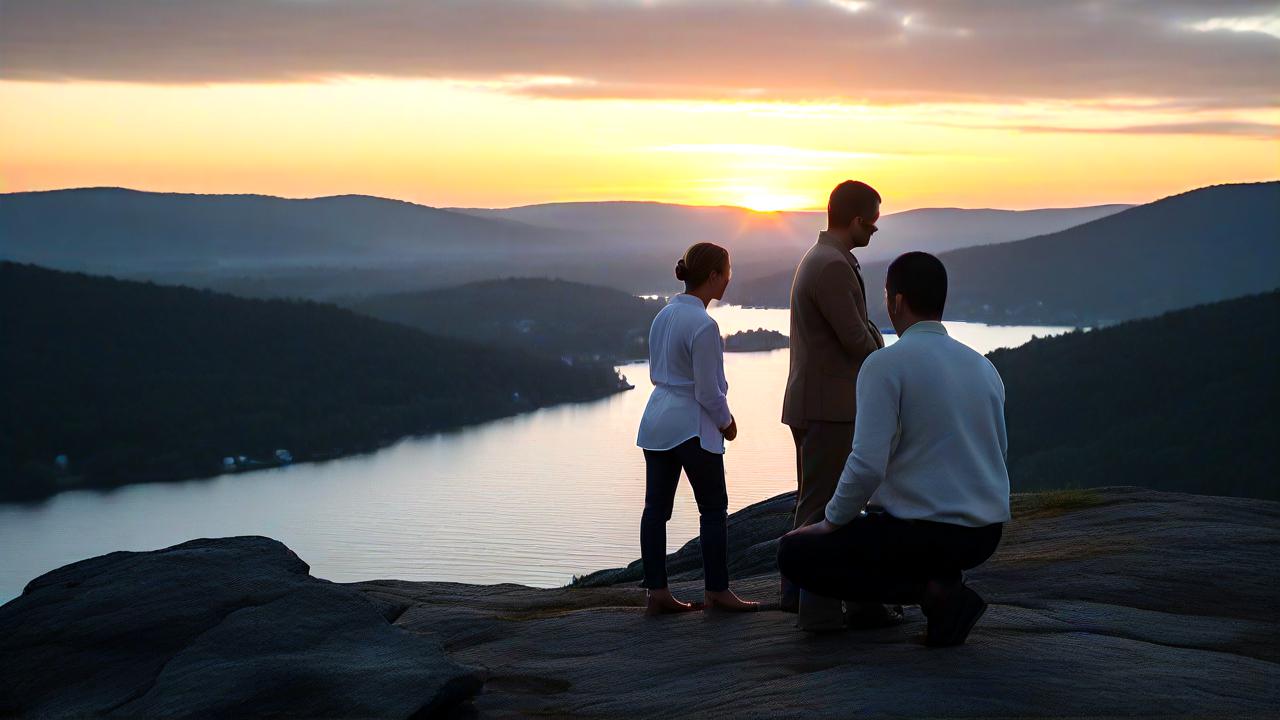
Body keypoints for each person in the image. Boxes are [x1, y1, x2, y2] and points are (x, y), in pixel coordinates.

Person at [778, 252, 1010, 646]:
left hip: (921, 536)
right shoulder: (983, 367)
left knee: (793, 552)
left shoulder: (885, 364)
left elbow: (866, 464)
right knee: (886, 538)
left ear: (896, 301)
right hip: (983, 535)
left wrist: (830, 521)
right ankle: (941, 585)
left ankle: (937, 594)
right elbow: (997, 452)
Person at [780, 180, 897, 630]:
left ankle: (801, 597)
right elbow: (857, 339)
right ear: (855, 221)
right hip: (829, 406)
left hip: (817, 402)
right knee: (826, 507)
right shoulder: (831, 266)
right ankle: (822, 612)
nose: (873, 232)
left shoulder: (824, 258)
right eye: (872, 224)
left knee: (815, 502)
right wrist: (878, 338)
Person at [636, 242, 758, 615]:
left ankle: (656, 592)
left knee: (655, 509)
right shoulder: (703, 325)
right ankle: (717, 592)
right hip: (691, 424)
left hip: (656, 419)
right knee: (713, 509)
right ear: (713, 276)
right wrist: (728, 423)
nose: (729, 279)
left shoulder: (664, 315)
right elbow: (706, 390)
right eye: (727, 271)